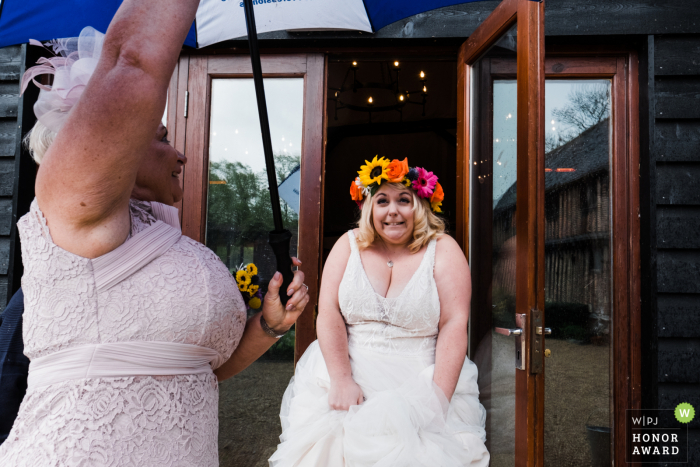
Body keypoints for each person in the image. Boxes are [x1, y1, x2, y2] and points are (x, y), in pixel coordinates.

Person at [0, 0, 309, 464]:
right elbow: (133, 62)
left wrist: (269, 326)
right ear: (115, 144)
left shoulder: (155, 229)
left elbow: (200, 369)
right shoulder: (72, 204)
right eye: (161, 137)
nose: (179, 154)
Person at [270, 157, 489, 466]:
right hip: (348, 378)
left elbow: (455, 323)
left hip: (420, 383)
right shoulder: (348, 245)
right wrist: (341, 380)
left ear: (421, 206)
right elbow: (329, 312)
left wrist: (436, 402)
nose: (393, 211)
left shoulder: (444, 248)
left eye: (404, 200)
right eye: (382, 200)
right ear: (369, 207)